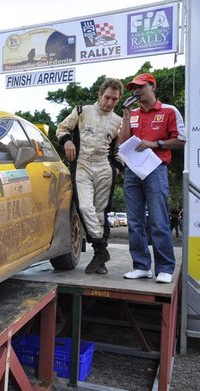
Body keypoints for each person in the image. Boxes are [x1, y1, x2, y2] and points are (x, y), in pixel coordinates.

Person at [119, 73, 186, 283]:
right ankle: (141, 266)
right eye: (133, 89)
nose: (136, 91)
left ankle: (165, 268)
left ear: (152, 87)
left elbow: (181, 140)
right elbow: (122, 143)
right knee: (134, 221)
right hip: (132, 170)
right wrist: (126, 118)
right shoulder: (134, 113)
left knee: (158, 220)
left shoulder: (169, 111)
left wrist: (154, 144)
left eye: (140, 87)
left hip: (156, 169)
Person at [56, 78, 124, 275]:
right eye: (107, 97)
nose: (110, 103)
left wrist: (116, 167)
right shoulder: (81, 111)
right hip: (83, 165)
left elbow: (121, 149)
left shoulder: (119, 122)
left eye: (115, 100)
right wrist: (67, 141)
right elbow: (62, 128)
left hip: (105, 167)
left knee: (101, 213)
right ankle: (102, 250)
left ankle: (99, 258)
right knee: (85, 207)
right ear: (99, 95)